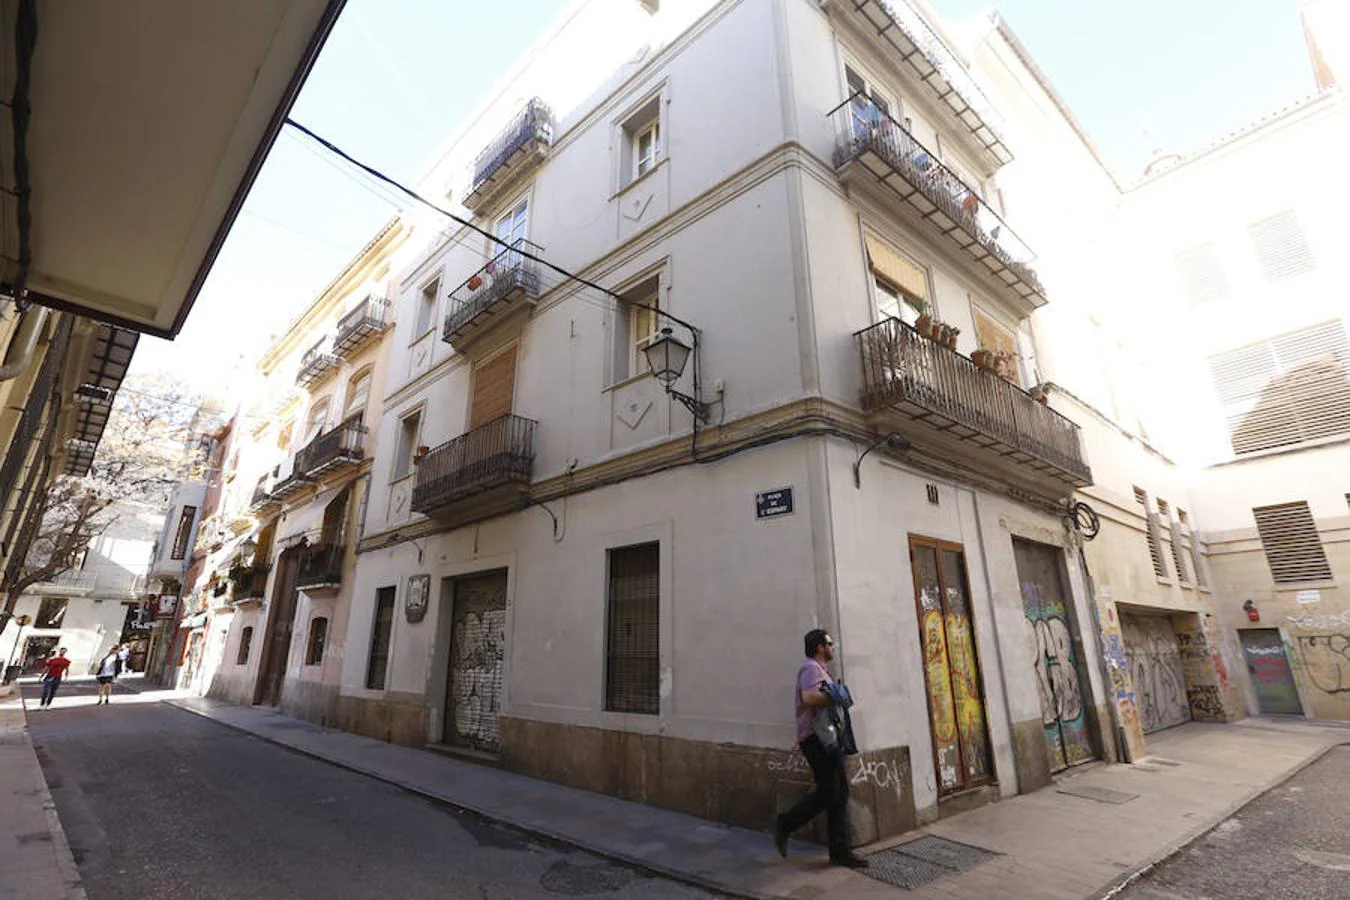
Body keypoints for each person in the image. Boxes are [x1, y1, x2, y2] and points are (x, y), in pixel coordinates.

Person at [773, 629, 868, 869]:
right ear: (819, 647)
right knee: (831, 792)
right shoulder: (810, 668)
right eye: (829, 643)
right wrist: (835, 695)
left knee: (838, 792)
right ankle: (787, 823)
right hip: (816, 739)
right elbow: (808, 698)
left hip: (826, 739)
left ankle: (839, 851)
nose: (832, 647)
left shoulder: (821, 671)